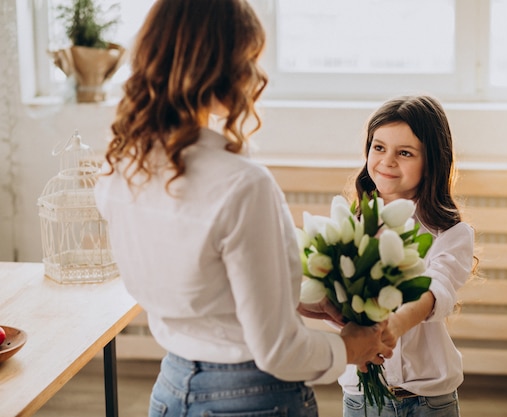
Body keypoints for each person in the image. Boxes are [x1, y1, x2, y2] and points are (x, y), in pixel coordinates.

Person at [93, 1, 393, 416]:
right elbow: (278, 352)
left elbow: (202, 291)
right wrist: (350, 347)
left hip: (170, 390)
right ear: (221, 67)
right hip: (253, 398)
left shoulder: (120, 171)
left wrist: (289, 301)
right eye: (250, 58)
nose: (259, 75)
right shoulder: (243, 185)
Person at [304, 95, 475, 417]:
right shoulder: (351, 227)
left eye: (405, 153)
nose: (387, 161)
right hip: (361, 397)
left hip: (427, 399)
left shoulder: (450, 234)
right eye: (378, 147)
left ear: (433, 161)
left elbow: (434, 290)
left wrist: (393, 326)